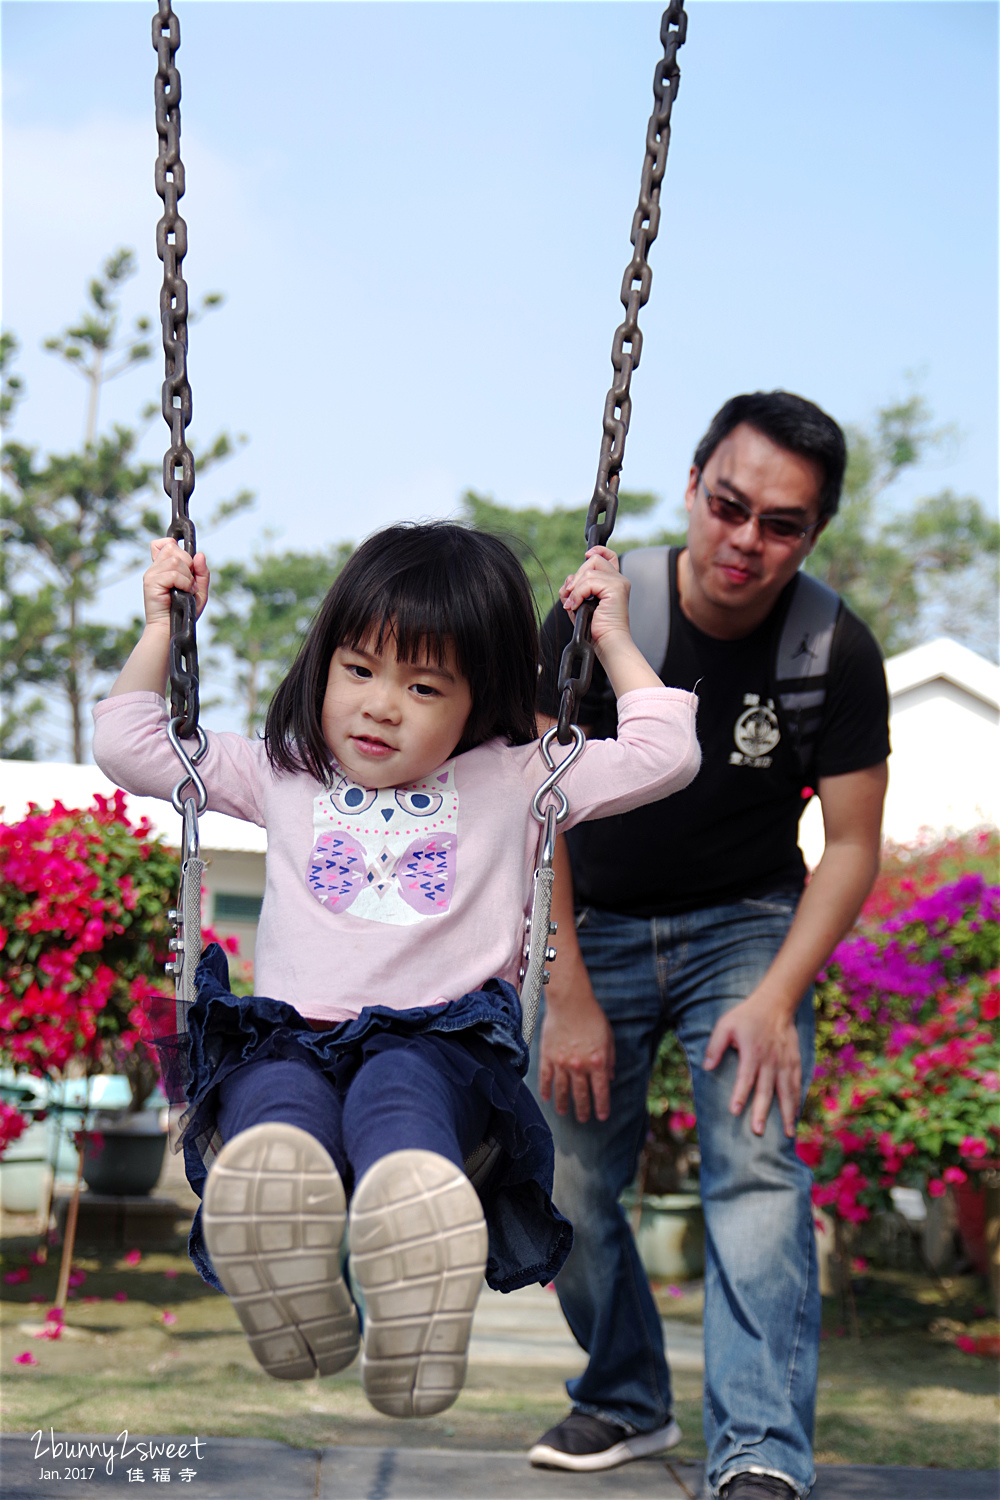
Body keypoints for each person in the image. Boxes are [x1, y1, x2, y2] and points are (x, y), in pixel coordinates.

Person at [93, 521, 700, 1421]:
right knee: (274, 1116)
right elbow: (130, 745)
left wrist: (610, 639)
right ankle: (291, 1267)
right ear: (322, 665)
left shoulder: (518, 776)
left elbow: (666, 754)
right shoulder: (282, 770)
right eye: (360, 669)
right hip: (294, 1037)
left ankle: (420, 1244)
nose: (381, 706)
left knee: (399, 1098)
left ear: (477, 702)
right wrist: (161, 631)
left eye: (423, 686)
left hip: (439, 1043)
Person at [527, 392, 890, 1500]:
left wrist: (779, 996)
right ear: (690, 487)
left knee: (756, 1175)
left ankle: (761, 1451)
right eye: (728, 506)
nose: (745, 540)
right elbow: (537, 811)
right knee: (564, 1186)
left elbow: (852, 845)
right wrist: (569, 985)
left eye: (780, 524)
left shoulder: (831, 647)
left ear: (812, 533)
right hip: (595, 924)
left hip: (748, 926)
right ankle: (626, 1397)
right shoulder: (593, 618)